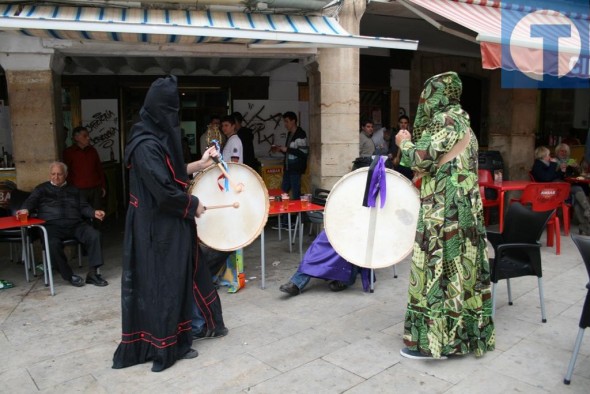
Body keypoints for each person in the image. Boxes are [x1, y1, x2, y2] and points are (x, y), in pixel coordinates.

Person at [112, 75, 226, 373]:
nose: (173, 119)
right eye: (171, 112)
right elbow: (162, 191)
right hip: (154, 228)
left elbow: (172, 173)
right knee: (162, 285)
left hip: (167, 224)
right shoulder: (144, 144)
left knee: (175, 281)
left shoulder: (155, 139)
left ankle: (181, 335)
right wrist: (192, 205)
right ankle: (164, 345)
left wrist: (200, 164)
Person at [395, 71, 495, 359]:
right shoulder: (465, 123)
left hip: (444, 211)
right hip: (466, 210)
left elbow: (421, 159)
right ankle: (462, 337)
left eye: (428, 94)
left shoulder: (444, 121)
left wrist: (403, 141)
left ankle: (433, 343)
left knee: (437, 270)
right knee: (462, 273)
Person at [17, 161, 108, 287]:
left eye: (59, 174)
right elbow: (30, 202)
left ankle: (93, 273)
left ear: (66, 174)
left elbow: (83, 207)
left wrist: (93, 213)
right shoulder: (41, 189)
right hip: (51, 226)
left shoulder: (74, 189)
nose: (56, 177)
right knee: (52, 244)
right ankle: (69, 276)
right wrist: (25, 209)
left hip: (75, 224)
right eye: (53, 174)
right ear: (50, 175)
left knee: (94, 235)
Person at [279, 230, 367, 295]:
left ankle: (345, 280)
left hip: (357, 227)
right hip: (338, 224)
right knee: (317, 248)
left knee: (350, 248)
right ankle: (297, 283)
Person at [531, 146, 590, 234]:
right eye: (548, 155)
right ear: (543, 155)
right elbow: (547, 178)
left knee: (577, 192)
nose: (550, 157)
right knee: (577, 191)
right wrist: (553, 164)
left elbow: (554, 176)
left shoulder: (544, 164)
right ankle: (587, 212)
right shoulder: (538, 165)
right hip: (550, 192)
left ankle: (586, 222)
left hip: (557, 188)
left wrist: (562, 170)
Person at [62, 126, 106, 211]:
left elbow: (99, 169)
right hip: (79, 190)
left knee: (98, 214)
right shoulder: (69, 152)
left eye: (88, 135)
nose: (88, 138)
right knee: (81, 214)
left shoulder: (93, 151)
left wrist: (103, 186)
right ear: (76, 137)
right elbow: (66, 172)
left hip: (95, 189)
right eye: (85, 136)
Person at [272, 111, 308, 200]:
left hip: (296, 169)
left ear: (293, 121)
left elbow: (303, 153)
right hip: (288, 169)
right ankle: (284, 214)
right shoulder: (290, 134)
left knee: (296, 194)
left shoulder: (300, 134)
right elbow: (290, 152)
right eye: (284, 121)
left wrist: (287, 149)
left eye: (286, 121)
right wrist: (280, 149)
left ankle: (297, 214)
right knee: (283, 193)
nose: (285, 124)